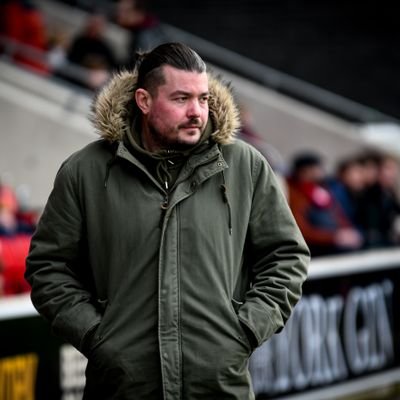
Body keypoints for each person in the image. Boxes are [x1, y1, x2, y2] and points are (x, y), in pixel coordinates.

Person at [25, 42, 309, 399]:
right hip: (123, 387)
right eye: (181, 99)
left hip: (217, 387)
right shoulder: (86, 171)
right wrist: (98, 338)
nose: (197, 112)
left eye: (203, 99)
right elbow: (49, 267)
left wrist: (245, 331)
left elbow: (286, 256)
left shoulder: (245, 166)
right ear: (144, 101)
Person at [286, 151, 363, 256]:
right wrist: (333, 237)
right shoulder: (295, 194)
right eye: (317, 168)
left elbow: (338, 215)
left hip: (333, 241)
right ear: (304, 171)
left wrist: (347, 232)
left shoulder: (321, 190)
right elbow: (301, 230)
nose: (321, 172)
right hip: (316, 247)